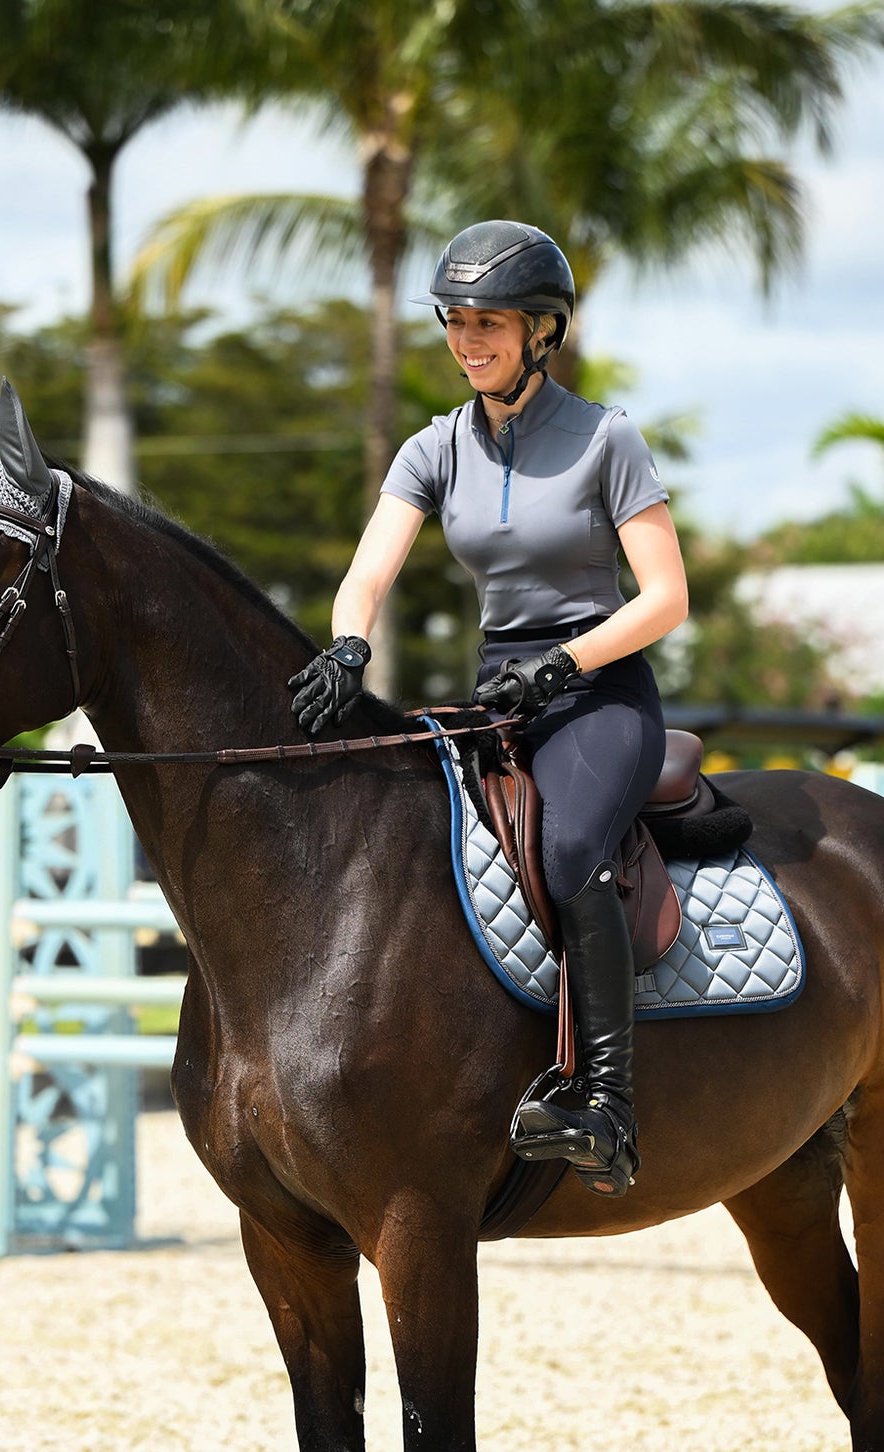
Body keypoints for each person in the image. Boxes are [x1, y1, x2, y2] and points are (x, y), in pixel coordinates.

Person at [287, 219, 689, 1198]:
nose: (470, 341)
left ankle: (608, 1102)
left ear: (541, 330)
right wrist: (349, 642)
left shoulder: (606, 438)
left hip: (600, 687)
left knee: (567, 850)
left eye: (491, 323)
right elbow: (367, 572)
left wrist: (562, 664)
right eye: (456, 322)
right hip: (497, 691)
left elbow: (667, 597)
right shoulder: (435, 447)